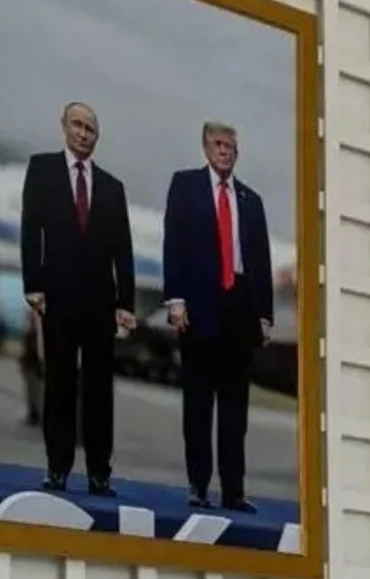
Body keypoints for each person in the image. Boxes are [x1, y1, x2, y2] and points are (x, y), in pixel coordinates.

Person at [20, 101, 137, 496]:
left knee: (99, 390)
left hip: (100, 303)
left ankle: (99, 472)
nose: (84, 134)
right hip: (57, 297)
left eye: (90, 129)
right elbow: (30, 228)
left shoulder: (112, 188)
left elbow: (123, 249)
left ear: (97, 137)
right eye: (78, 125)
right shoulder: (42, 170)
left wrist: (126, 303)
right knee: (60, 383)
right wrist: (33, 283)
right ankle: (57, 467)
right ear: (64, 127)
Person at [161, 120, 273, 513]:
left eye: (230, 146)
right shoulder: (185, 185)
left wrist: (264, 314)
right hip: (199, 306)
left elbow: (261, 260)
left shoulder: (250, 200)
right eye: (218, 144)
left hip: (239, 310)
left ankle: (233, 491)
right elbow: (173, 243)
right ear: (206, 148)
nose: (224, 151)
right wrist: (175, 299)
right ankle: (198, 484)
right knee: (197, 403)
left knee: (234, 408)